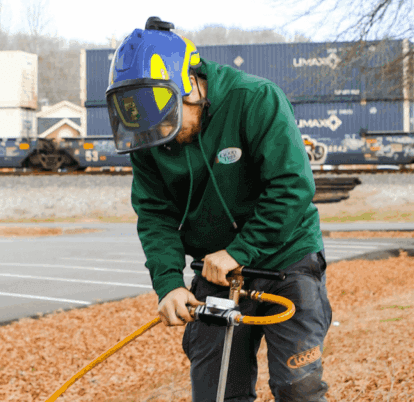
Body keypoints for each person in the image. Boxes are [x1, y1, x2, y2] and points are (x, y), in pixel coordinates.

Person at [106, 16, 332, 402]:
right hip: (216, 271)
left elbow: (292, 187)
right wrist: (169, 285)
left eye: (171, 124)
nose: (164, 138)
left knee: (299, 388)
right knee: (216, 392)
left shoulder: (255, 99)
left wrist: (240, 252)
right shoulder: (148, 136)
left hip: (286, 259)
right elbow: (155, 214)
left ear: (192, 86)